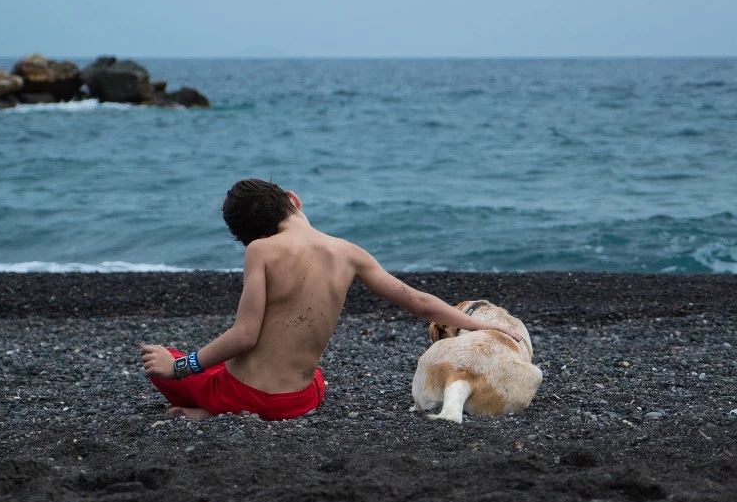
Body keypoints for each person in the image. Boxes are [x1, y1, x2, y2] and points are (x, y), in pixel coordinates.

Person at [140, 178, 521, 421]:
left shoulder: (260, 251)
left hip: (248, 394)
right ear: (294, 199)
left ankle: (212, 411)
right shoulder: (348, 252)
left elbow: (244, 336)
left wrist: (181, 367)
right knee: (316, 376)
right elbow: (418, 302)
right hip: (301, 399)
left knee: (165, 360)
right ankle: (223, 409)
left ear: (248, 236)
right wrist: (480, 323)